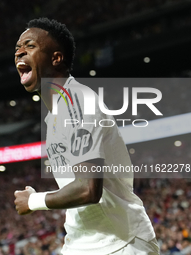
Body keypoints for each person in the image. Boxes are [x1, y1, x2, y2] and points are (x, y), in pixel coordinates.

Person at [13, 17, 159, 255]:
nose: (19, 53)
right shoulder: (56, 114)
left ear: (56, 58)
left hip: (121, 243)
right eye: (17, 48)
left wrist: (33, 201)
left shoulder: (78, 101)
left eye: (29, 46)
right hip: (83, 243)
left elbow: (88, 189)